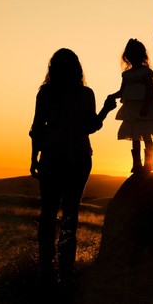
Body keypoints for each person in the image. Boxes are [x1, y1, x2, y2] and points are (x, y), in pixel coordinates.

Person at [29, 48, 116, 281]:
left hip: (51, 157)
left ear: (53, 68)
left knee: (48, 211)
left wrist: (33, 158)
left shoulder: (45, 93)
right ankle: (66, 268)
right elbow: (90, 127)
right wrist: (106, 111)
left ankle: (46, 265)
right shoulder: (85, 94)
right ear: (77, 68)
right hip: (79, 158)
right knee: (71, 212)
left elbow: (37, 128)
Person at [109, 39, 153, 173]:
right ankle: (136, 163)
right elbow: (122, 91)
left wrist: (145, 106)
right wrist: (112, 95)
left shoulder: (146, 72)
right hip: (132, 110)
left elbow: (150, 90)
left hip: (145, 108)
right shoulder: (126, 75)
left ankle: (149, 163)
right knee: (135, 136)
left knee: (147, 135)